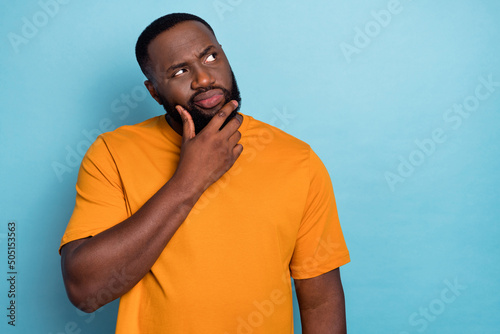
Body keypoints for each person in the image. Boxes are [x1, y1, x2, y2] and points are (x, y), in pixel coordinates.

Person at [59, 13, 350, 334]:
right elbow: (85, 292)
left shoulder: (298, 159)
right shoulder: (112, 153)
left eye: (210, 56)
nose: (203, 79)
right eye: (179, 71)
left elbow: (320, 301)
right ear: (154, 92)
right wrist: (189, 181)